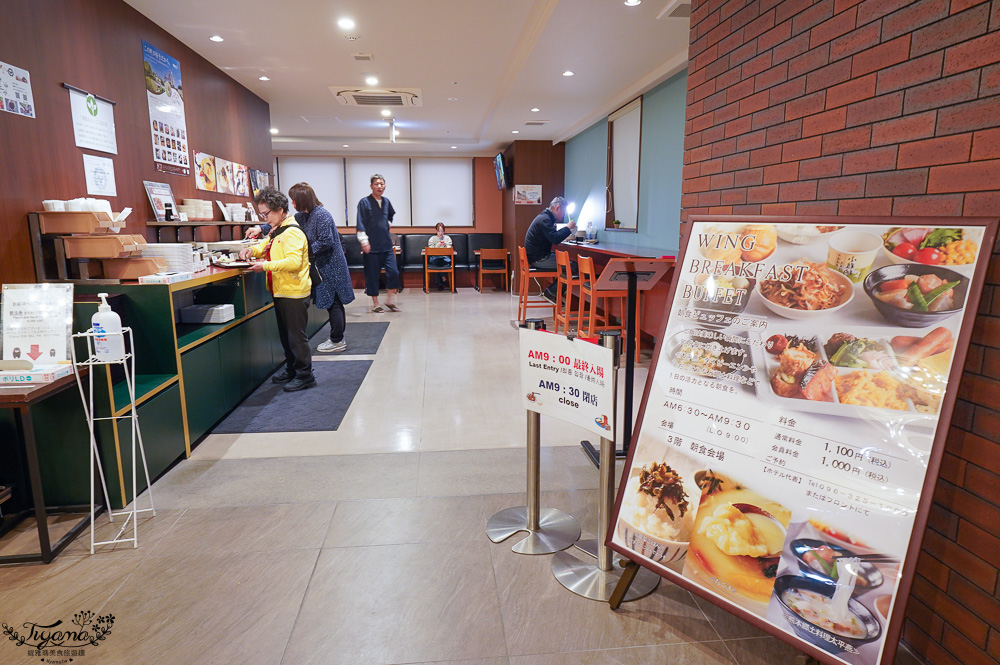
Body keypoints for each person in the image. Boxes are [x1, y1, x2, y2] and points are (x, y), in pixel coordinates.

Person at [239, 187, 315, 392]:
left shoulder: (292, 232)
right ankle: (292, 369)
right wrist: (251, 250)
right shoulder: (278, 229)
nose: (265, 218)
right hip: (281, 289)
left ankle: (305, 375)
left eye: (267, 214)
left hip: (294, 291)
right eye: (262, 214)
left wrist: (264, 266)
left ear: (280, 210)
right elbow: (267, 246)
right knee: (286, 335)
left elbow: (293, 262)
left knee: (296, 336)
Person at [288, 182, 356, 353]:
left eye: (294, 200)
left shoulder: (322, 215)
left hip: (331, 266)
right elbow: (286, 224)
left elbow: (326, 241)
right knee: (331, 303)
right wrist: (261, 227)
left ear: (303, 200)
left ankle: (337, 340)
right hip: (320, 266)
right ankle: (337, 338)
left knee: (334, 302)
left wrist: (305, 253)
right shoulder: (303, 216)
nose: (293, 204)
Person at [356, 173, 400, 312]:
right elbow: (360, 222)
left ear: (384, 186)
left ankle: (389, 300)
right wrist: (364, 241)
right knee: (372, 275)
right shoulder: (364, 202)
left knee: (394, 272)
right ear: (371, 186)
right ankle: (376, 304)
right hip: (371, 246)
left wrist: (386, 224)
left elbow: (391, 215)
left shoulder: (386, 202)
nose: (379, 186)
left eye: (382, 184)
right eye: (376, 184)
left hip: (386, 245)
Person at [524, 196, 576, 301]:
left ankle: (554, 291)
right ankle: (552, 291)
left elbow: (551, 237)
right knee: (574, 267)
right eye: (564, 211)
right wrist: (568, 228)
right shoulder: (545, 220)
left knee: (569, 264)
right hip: (539, 259)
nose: (564, 215)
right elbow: (555, 239)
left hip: (537, 256)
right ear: (558, 208)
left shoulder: (543, 217)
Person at [427, 222, 452, 290]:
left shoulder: (447, 238)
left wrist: (445, 245)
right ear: (436, 231)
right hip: (435, 258)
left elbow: (450, 248)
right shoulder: (432, 239)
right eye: (439, 231)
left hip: (445, 258)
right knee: (438, 261)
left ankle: (439, 283)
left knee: (442, 261)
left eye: (442, 231)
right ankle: (443, 279)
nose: (441, 233)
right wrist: (437, 245)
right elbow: (430, 250)